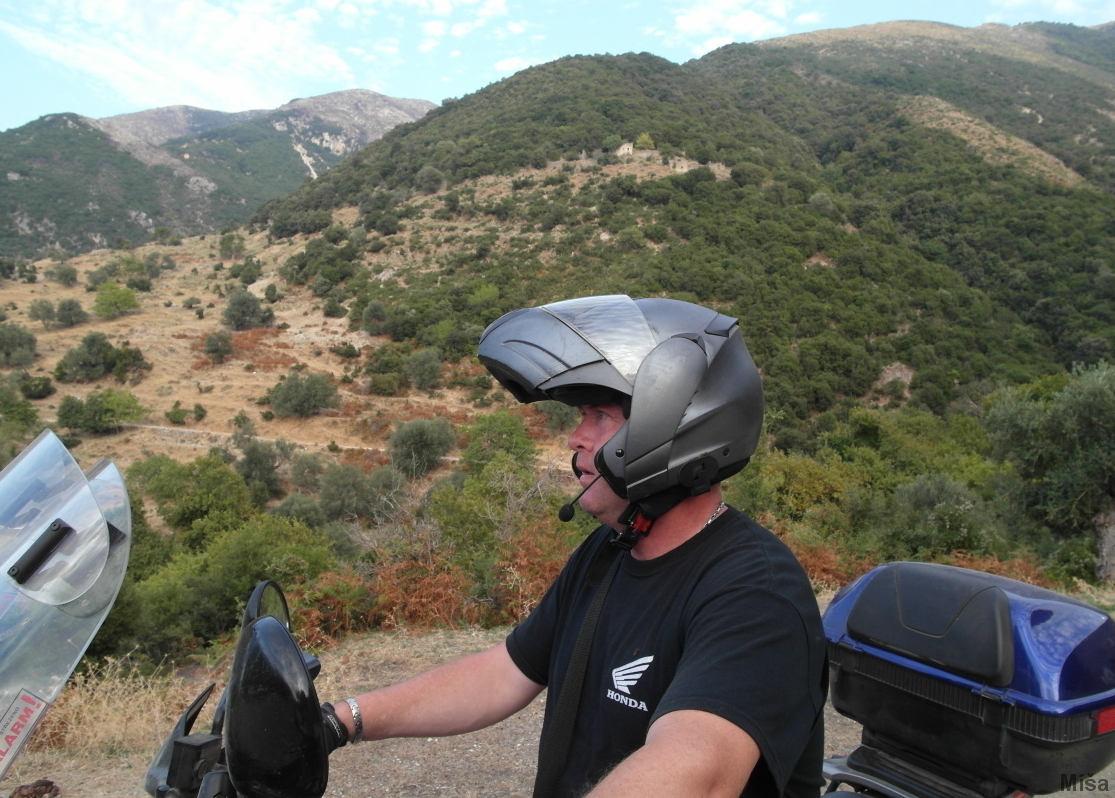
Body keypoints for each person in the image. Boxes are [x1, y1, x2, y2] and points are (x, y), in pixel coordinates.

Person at [322, 295, 826, 797]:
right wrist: (342, 720)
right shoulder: (611, 549)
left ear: (675, 432)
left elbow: (696, 771)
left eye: (600, 417)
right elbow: (504, 673)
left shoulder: (757, 595)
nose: (576, 438)